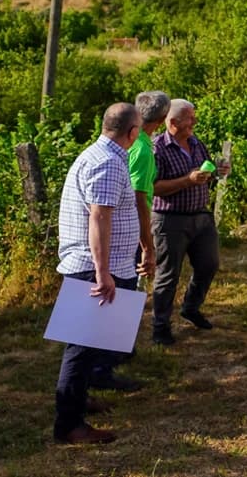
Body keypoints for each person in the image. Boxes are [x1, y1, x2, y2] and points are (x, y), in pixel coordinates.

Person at [52, 103, 142, 445]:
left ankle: (80, 401)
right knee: (80, 348)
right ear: (132, 132)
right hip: (92, 268)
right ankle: (69, 426)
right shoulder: (107, 162)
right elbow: (99, 218)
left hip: (97, 265)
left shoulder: (100, 154)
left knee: (93, 345)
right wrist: (102, 273)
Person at [150, 99, 230, 346]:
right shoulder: (157, 149)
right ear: (172, 122)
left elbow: (205, 175)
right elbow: (152, 188)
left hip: (200, 216)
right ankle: (160, 326)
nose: (194, 122)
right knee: (167, 275)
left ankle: (191, 307)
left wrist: (218, 172)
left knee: (209, 264)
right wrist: (188, 180)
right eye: (189, 118)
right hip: (170, 219)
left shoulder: (196, 143)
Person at [128, 90, 168, 283]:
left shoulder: (128, 138)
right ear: (162, 119)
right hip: (132, 229)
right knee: (125, 289)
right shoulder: (143, 150)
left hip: (118, 225)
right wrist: (147, 248)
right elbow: (139, 200)